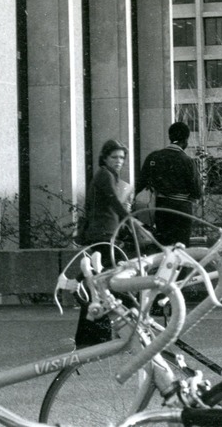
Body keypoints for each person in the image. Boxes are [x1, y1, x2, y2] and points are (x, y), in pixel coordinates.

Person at [74, 139, 132, 347]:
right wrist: (131, 220)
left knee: (98, 282)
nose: (119, 161)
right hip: (103, 235)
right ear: (105, 158)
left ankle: (91, 335)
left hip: (104, 234)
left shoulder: (108, 176)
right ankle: (97, 334)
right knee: (104, 282)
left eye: (122, 158)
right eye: (114, 157)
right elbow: (113, 202)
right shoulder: (105, 175)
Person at [137, 122, 202, 246]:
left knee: (165, 248)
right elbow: (197, 192)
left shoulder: (154, 157)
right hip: (182, 211)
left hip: (162, 209)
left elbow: (141, 184)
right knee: (181, 250)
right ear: (186, 140)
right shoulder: (187, 161)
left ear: (170, 137)